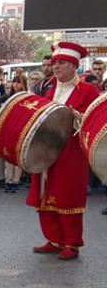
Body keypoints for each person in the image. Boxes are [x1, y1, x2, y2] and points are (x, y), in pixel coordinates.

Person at [28, 42, 100, 260]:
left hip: (71, 152)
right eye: (54, 63)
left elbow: (94, 120)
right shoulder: (48, 89)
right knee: (45, 193)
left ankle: (71, 242)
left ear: (73, 66)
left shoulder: (88, 91)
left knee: (67, 195)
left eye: (61, 63)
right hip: (46, 149)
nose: (56, 67)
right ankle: (54, 239)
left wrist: (74, 115)